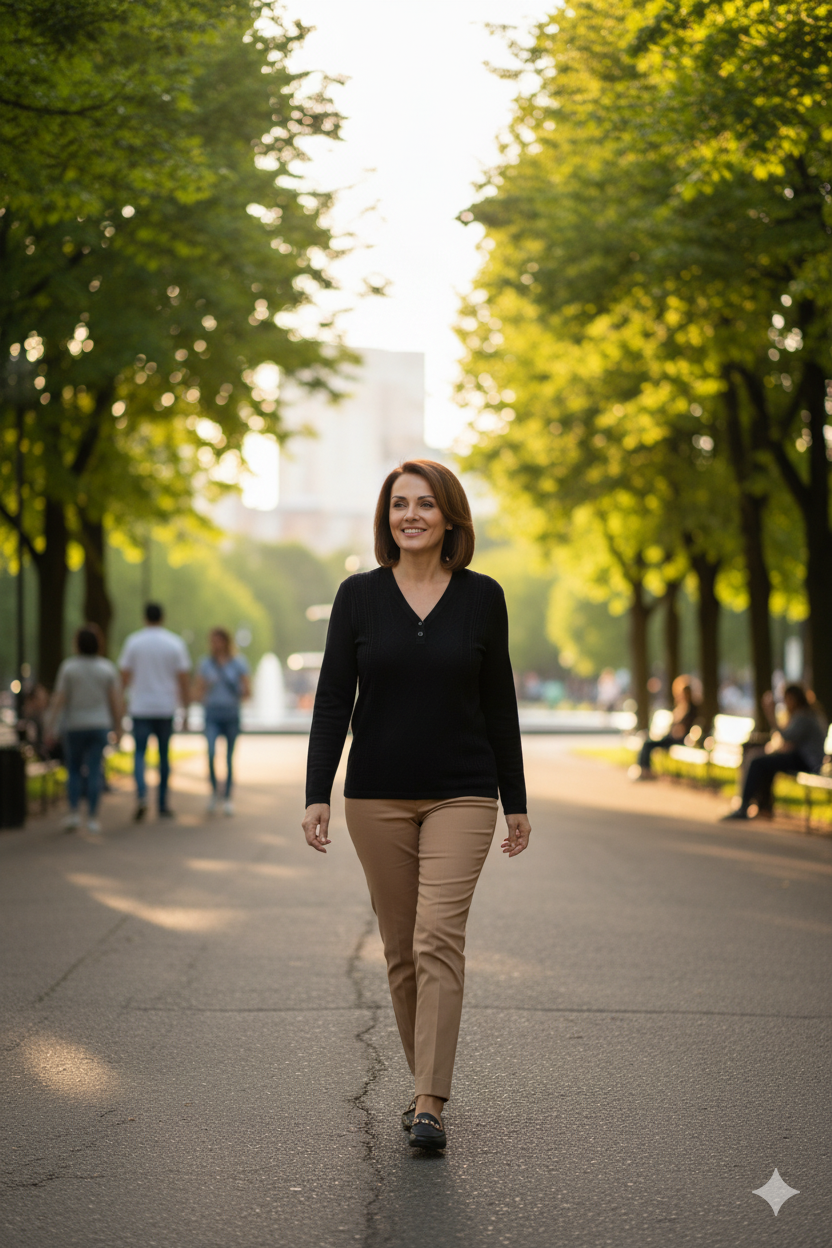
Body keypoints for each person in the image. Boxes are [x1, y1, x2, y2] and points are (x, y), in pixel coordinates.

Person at [302, 459, 531, 1153]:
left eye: (425, 504)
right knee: (401, 953)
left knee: (437, 939)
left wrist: (515, 801)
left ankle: (429, 1101)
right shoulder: (357, 597)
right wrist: (316, 790)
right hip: (375, 794)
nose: (410, 515)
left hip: (464, 789)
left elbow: (499, 704)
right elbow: (334, 696)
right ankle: (421, 1081)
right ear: (386, 518)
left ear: (450, 517)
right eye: (399, 504)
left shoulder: (483, 598)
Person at [45, 626, 123, 833]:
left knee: (74, 770)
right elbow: (115, 701)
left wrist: (50, 726)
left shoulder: (69, 668)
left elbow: (59, 699)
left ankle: (73, 813)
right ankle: (92, 817)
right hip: (99, 725)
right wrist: (119, 727)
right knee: (95, 769)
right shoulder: (106, 668)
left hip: (75, 725)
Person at [118, 603, 191, 821]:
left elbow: (124, 675)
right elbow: (184, 679)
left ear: (144, 617)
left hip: (140, 706)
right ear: (163, 617)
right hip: (165, 707)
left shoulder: (134, 642)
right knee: (163, 756)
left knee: (139, 753)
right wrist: (185, 709)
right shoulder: (174, 643)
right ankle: (162, 803)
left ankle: (141, 795)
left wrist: (121, 703)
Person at [722, 684, 827, 821]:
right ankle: (764, 807)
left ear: (796, 699)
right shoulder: (804, 714)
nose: (786, 703)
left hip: (808, 761)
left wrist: (771, 715)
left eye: (788, 699)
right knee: (764, 762)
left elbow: (787, 736)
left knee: (758, 761)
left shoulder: (804, 716)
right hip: (803, 758)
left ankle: (744, 806)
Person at [194, 627, 250, 815]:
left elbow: (248, 691)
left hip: (231, 714)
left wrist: (238, 690)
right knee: (210, 753)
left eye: (218, 640)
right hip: (212, 714)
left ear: (226, 642)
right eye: (212, 641)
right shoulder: (205, 663)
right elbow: (198, 691)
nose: (215, 644)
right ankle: (213, 792)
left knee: (228, 758)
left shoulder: (238, 663)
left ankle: (227, 797)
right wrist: (204, 689)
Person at [631, 675, 699, 779]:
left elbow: (687, 727)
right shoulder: (680, 707)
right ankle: (644, 769)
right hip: (671, 737)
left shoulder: (692, 709)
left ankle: (645, 771)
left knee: (648, 744)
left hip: (679, 739)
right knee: (647, 742)